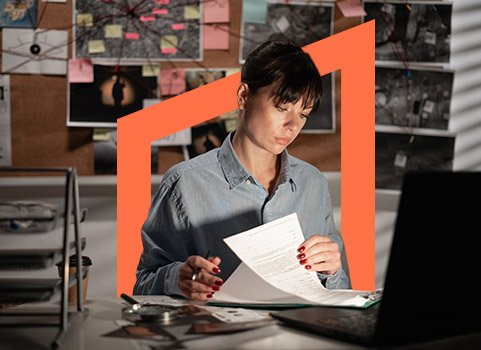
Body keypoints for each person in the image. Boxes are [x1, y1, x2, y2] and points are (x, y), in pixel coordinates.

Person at [134, 40, 350, 300]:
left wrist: (332, 270)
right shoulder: (184, 183)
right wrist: (177, 278)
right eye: (281, 108)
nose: (293, 125)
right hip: (216, 336)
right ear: (243, 96)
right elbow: (143, 285)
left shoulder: (312, 183)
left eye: (303, 114)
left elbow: (340, 295)